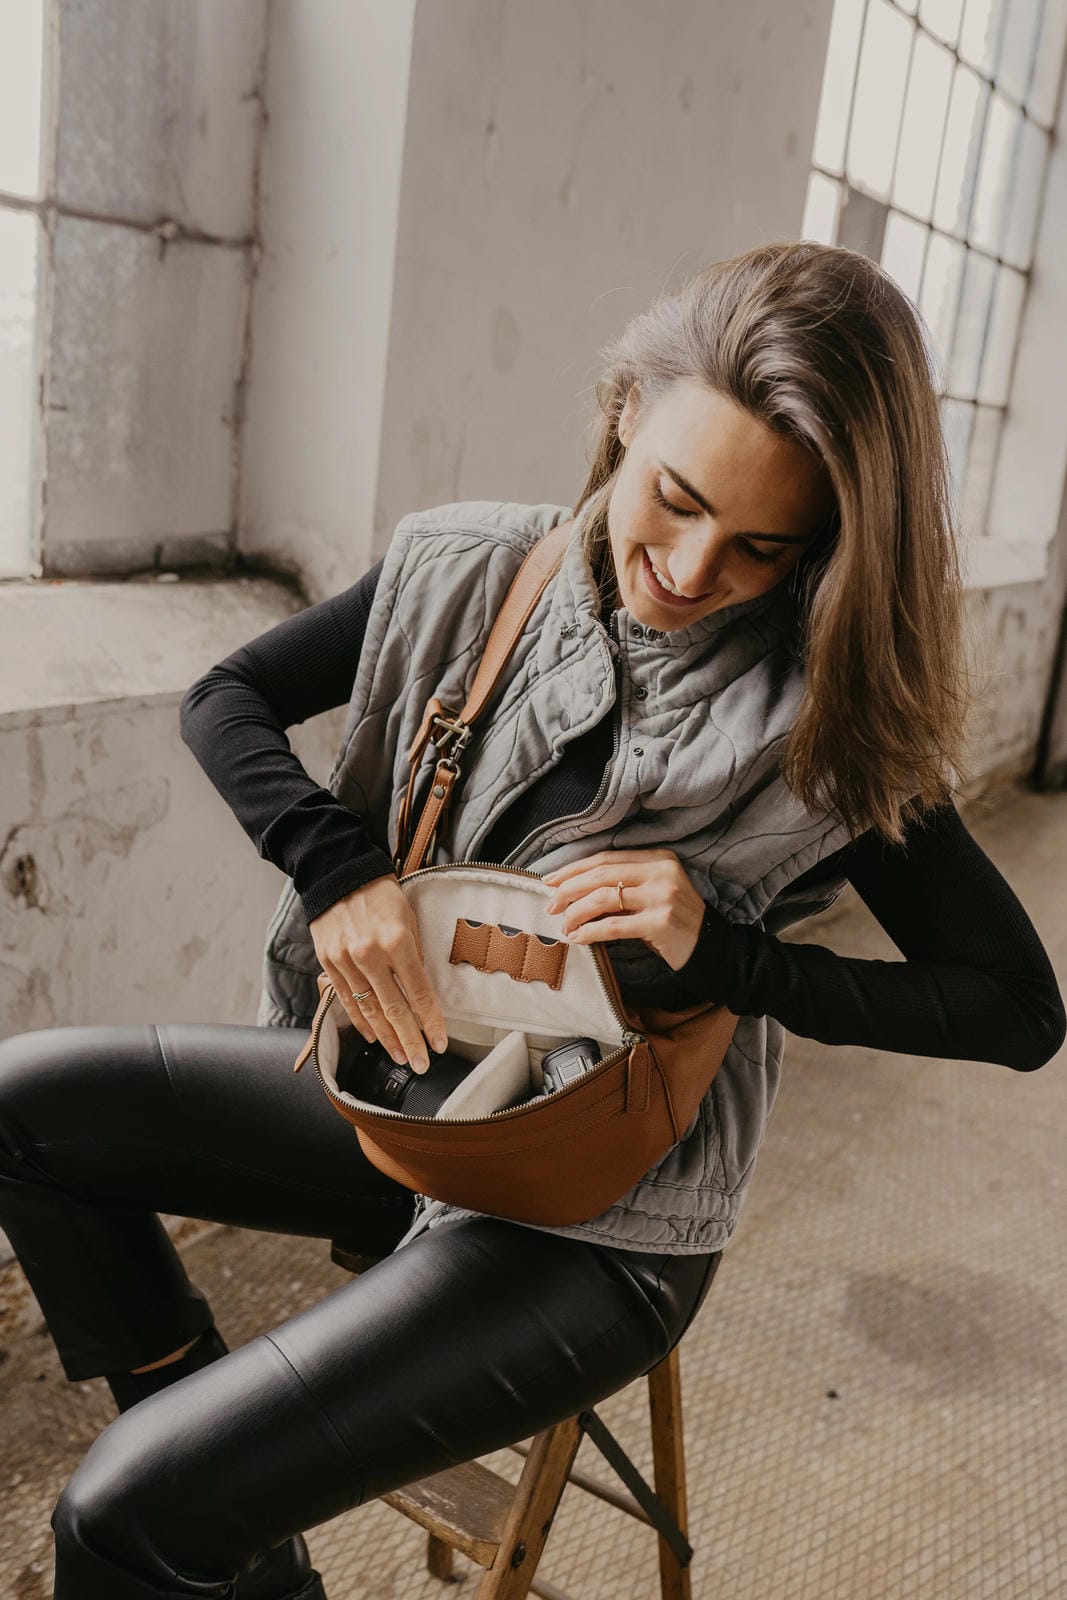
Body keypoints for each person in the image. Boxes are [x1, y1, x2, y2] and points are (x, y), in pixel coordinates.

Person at [0, 240, 1062, 1600]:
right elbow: (226, 699)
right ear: (628, 408)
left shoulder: (836, 717)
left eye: (760, 549)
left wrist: (733, 955)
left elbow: (1020, 1010)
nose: (685, 567)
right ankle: (220, 1490)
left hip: (598, 1219)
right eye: (673, 499)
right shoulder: (467, 566)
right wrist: (341, 875)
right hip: (401, 1098)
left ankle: (195, 1505)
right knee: (25, 1115)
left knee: (109, 1520)